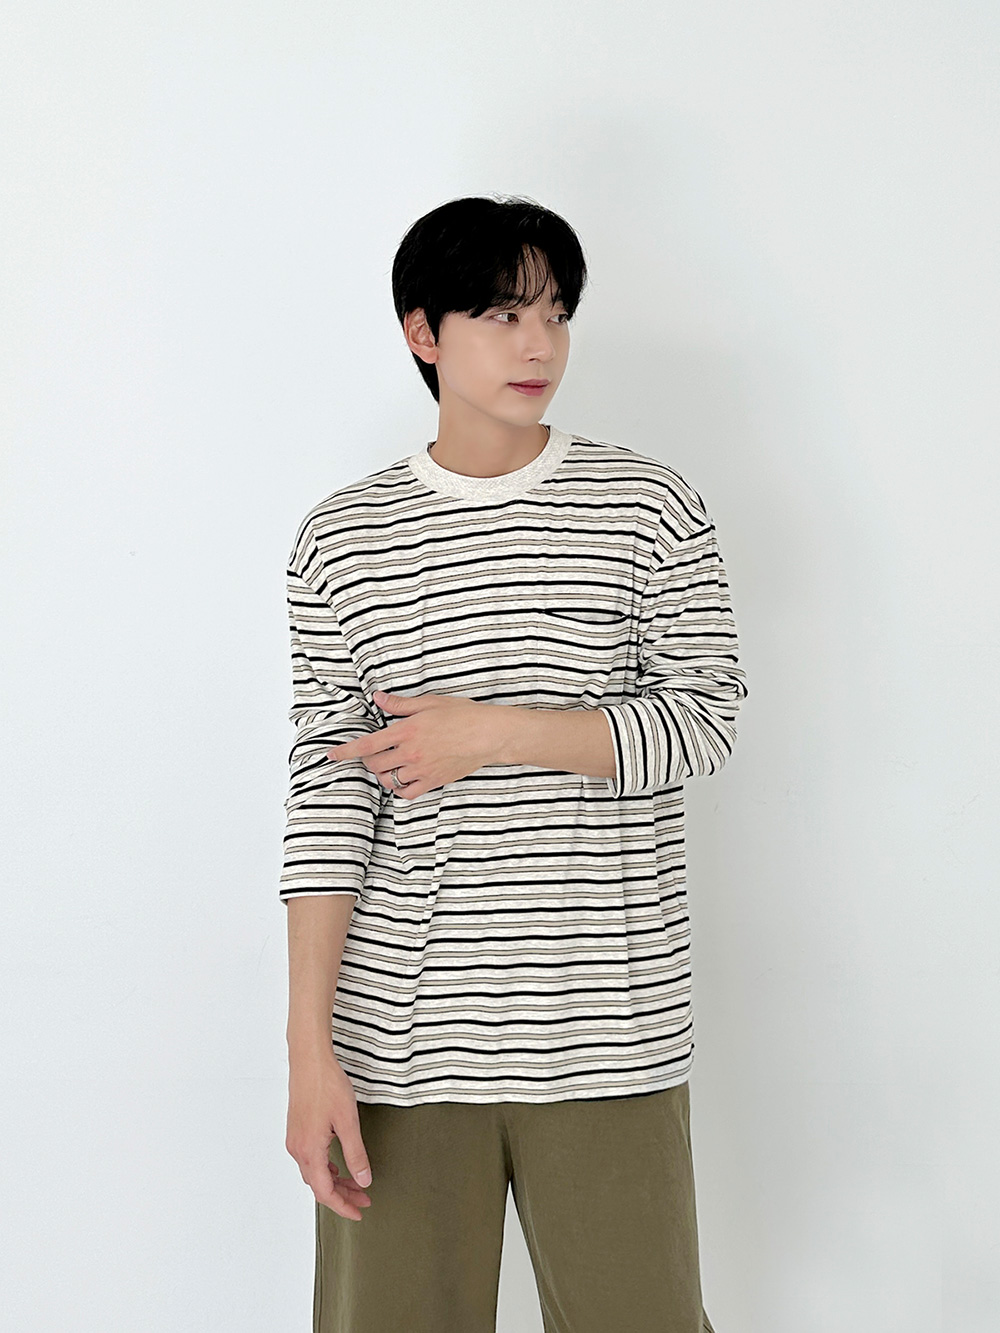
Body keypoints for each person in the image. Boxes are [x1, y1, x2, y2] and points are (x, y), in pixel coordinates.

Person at [280, 194, 748, 1333]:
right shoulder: (343, 536)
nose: (538, 344)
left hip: (608, 1031)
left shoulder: (648, 505)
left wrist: (487, 731)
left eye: (555, 314)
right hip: (402, 1042)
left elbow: (705, 719)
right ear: (423, 332)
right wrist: (308, 1050)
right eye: (501, 314)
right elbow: (326, 804)